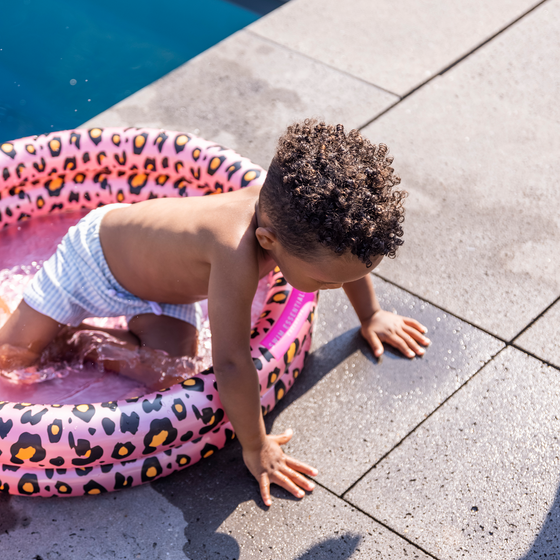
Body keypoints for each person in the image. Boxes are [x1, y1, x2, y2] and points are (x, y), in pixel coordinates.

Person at [0, 120, 430, 506]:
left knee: (172, 376)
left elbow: (347, 262)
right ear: (267, 241)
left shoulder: (303, 220)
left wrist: (371, 314)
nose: (333, 289)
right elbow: (230, 361)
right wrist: (256, 446)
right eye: (322, 282)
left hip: (164, 291)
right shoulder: (233, 250)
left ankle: (75, 340)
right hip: (92, 264)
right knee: (11, 358)